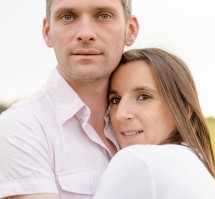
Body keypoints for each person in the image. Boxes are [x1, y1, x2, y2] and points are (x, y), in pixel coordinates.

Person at [0, 0, 139, 199]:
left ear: (130, 30)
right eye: (68, 16)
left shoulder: (152, 120)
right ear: (48, 32)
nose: (85, 33)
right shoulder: (19, 128)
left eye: (103, 16)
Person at [93, 48, 215, 199]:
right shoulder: (201, 169)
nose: (120, 114)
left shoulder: (137, 160)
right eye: (115, 100)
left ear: (184, 109)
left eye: (143, 97)